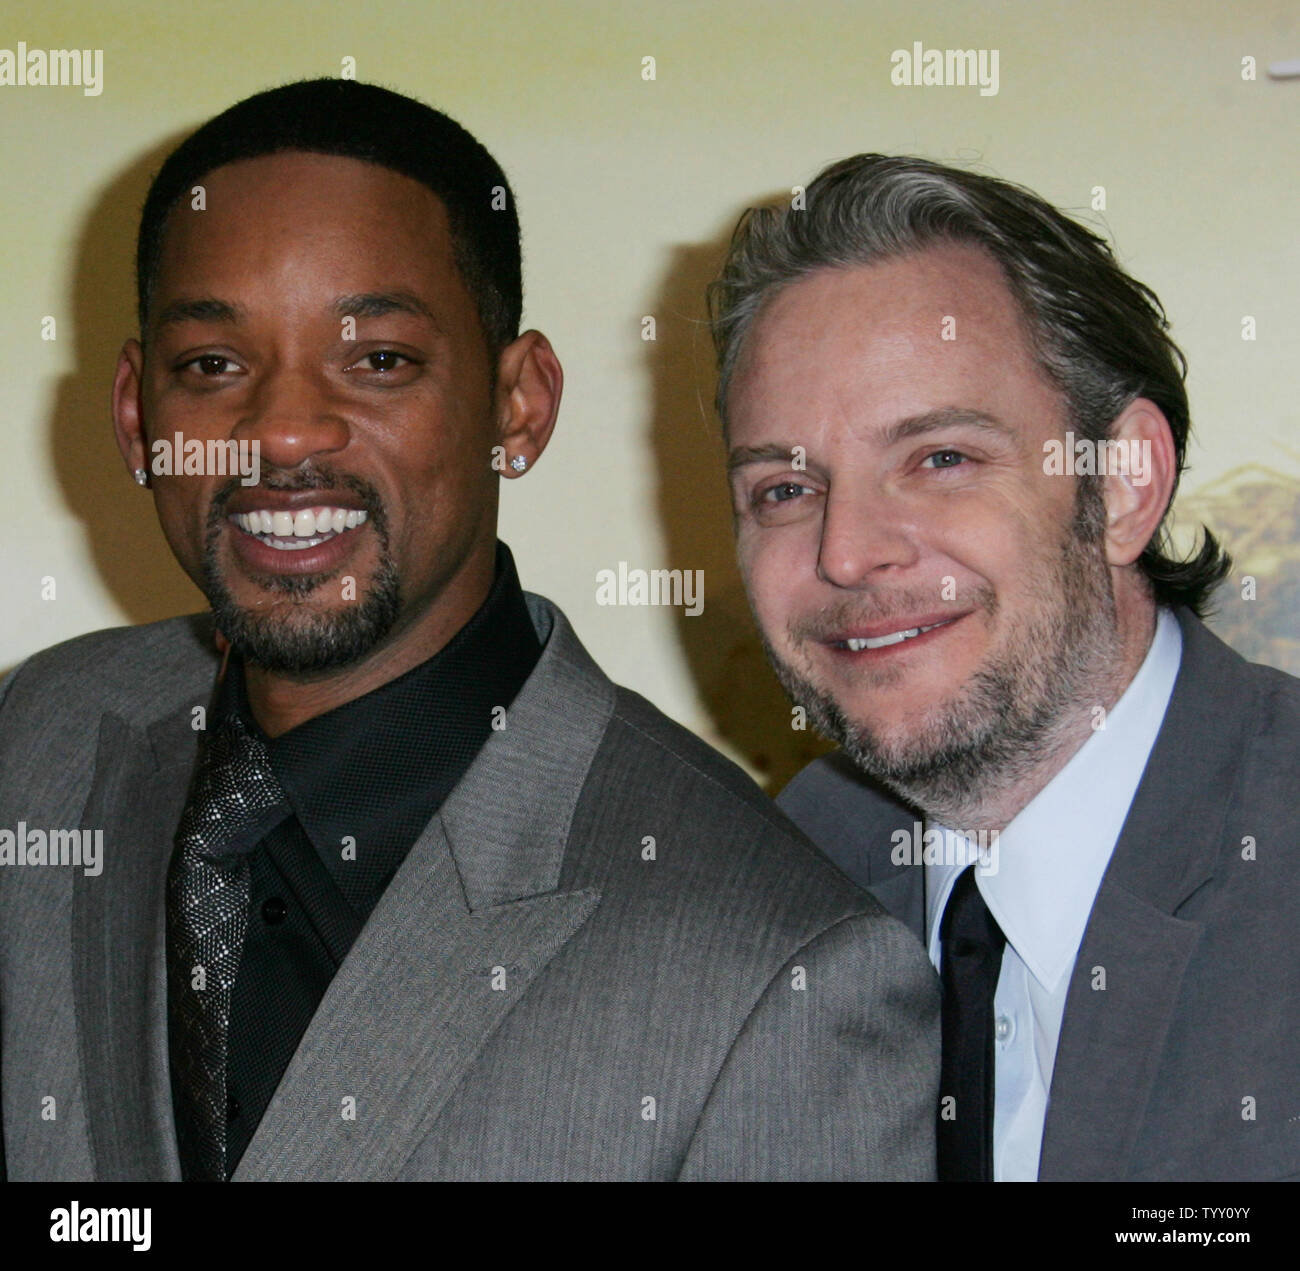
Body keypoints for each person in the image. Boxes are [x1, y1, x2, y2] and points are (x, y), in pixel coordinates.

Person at [0, 87, 938, 1182]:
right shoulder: (41, 738)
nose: (285, 428)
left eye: (379, 360)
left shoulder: (778, 972)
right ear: (134, 417)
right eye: (213, 366)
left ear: (518, 405)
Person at [709, 154, 1300, 1182]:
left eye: (939, 458)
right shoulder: (748, 894)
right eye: (784, 488)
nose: (847, 551)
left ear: (1121, 484)